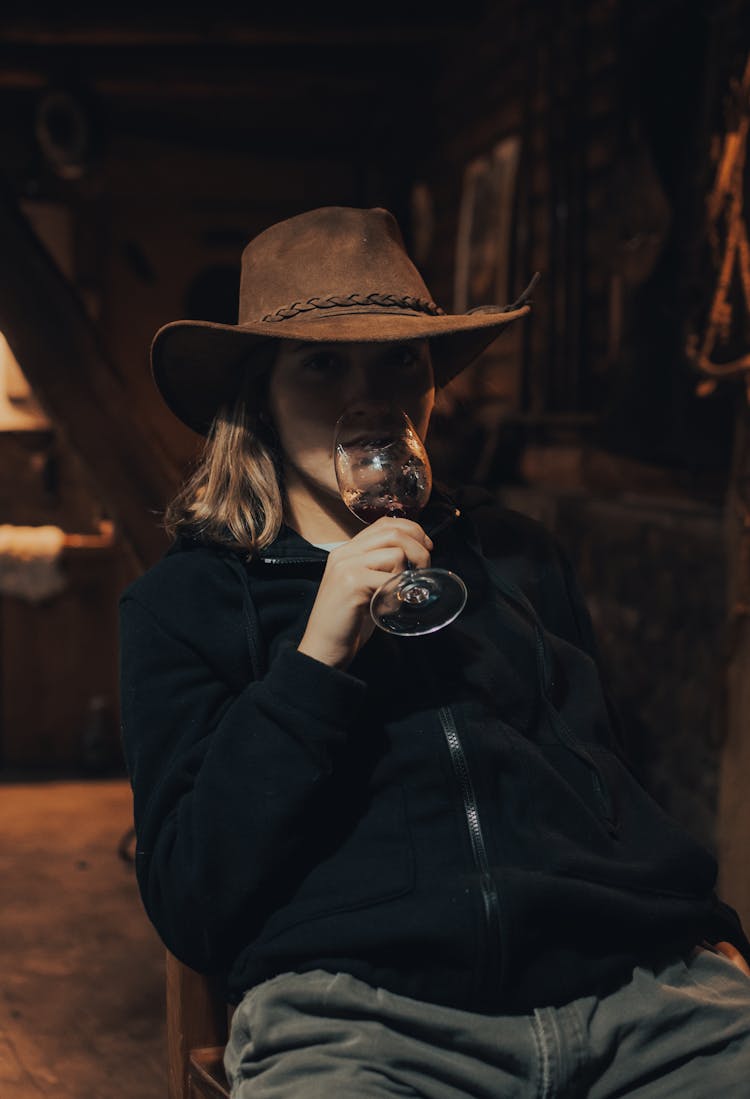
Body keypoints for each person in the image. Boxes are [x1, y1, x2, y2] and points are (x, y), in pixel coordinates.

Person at [120, 206, 750, 1098]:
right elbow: (192, 895)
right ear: (259, 388)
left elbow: (610, 785)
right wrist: (313, 662)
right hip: (363, 1023)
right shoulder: (183, 604)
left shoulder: (516, 554)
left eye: (398, 359)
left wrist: (703, 928)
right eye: (325, 362)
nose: (367, 395)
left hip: (635, 998)